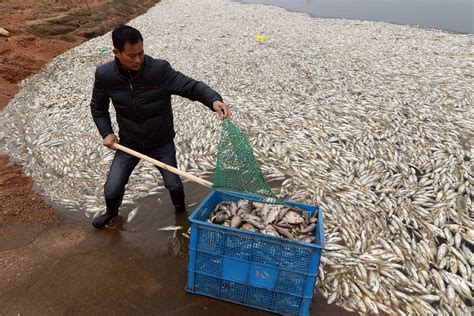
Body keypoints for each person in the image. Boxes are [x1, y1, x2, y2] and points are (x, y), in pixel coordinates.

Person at [90, 25, 230, 229]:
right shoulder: (105, 75)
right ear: (116, 53)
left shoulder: (159, 70)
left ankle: (181, 214)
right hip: (129, 143)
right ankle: (111, 213)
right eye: (131, 56)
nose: (138, 60)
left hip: (161, 142)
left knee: (174, 185)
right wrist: (107, 133)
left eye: (141, 53)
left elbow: (191, 86)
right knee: (112, 189)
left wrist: (213, 100)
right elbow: (98, 107)